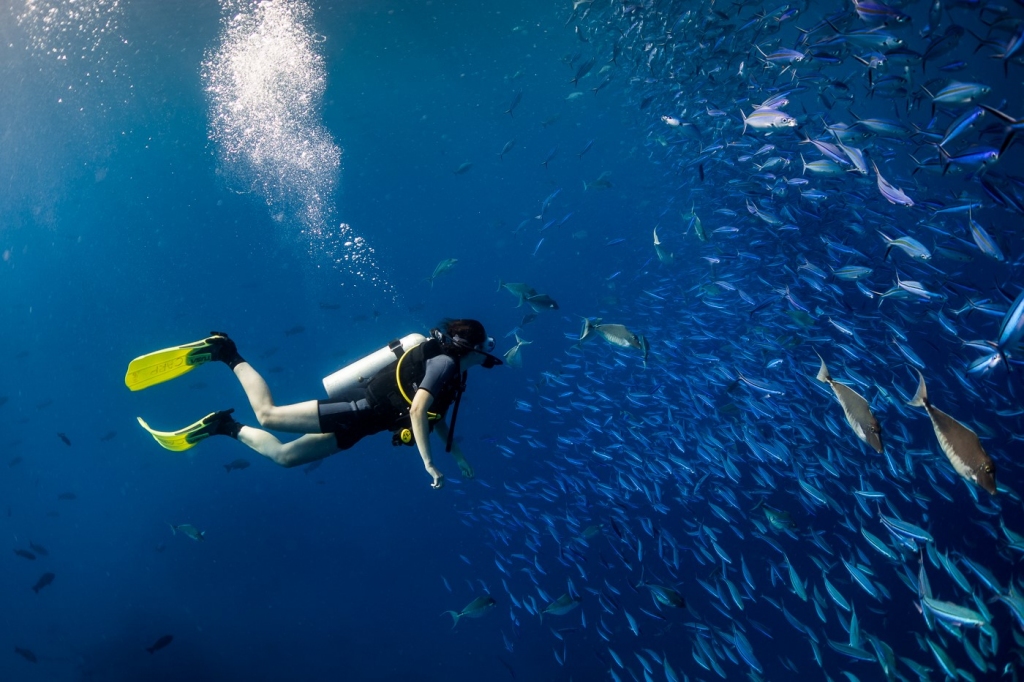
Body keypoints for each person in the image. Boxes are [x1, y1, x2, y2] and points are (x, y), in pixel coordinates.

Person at [125, 319, 502, 489]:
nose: (489, 352)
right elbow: (418, 411)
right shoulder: (445, 364)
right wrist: (429, 463)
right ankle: (228, 353)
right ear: (471, 347)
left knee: (285, 458)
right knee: (268, 414)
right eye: (486, 345)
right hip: (353, 411)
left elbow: (432, 415)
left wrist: (459, 457)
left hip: (358, 428)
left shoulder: (454, 376)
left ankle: (225, 426)